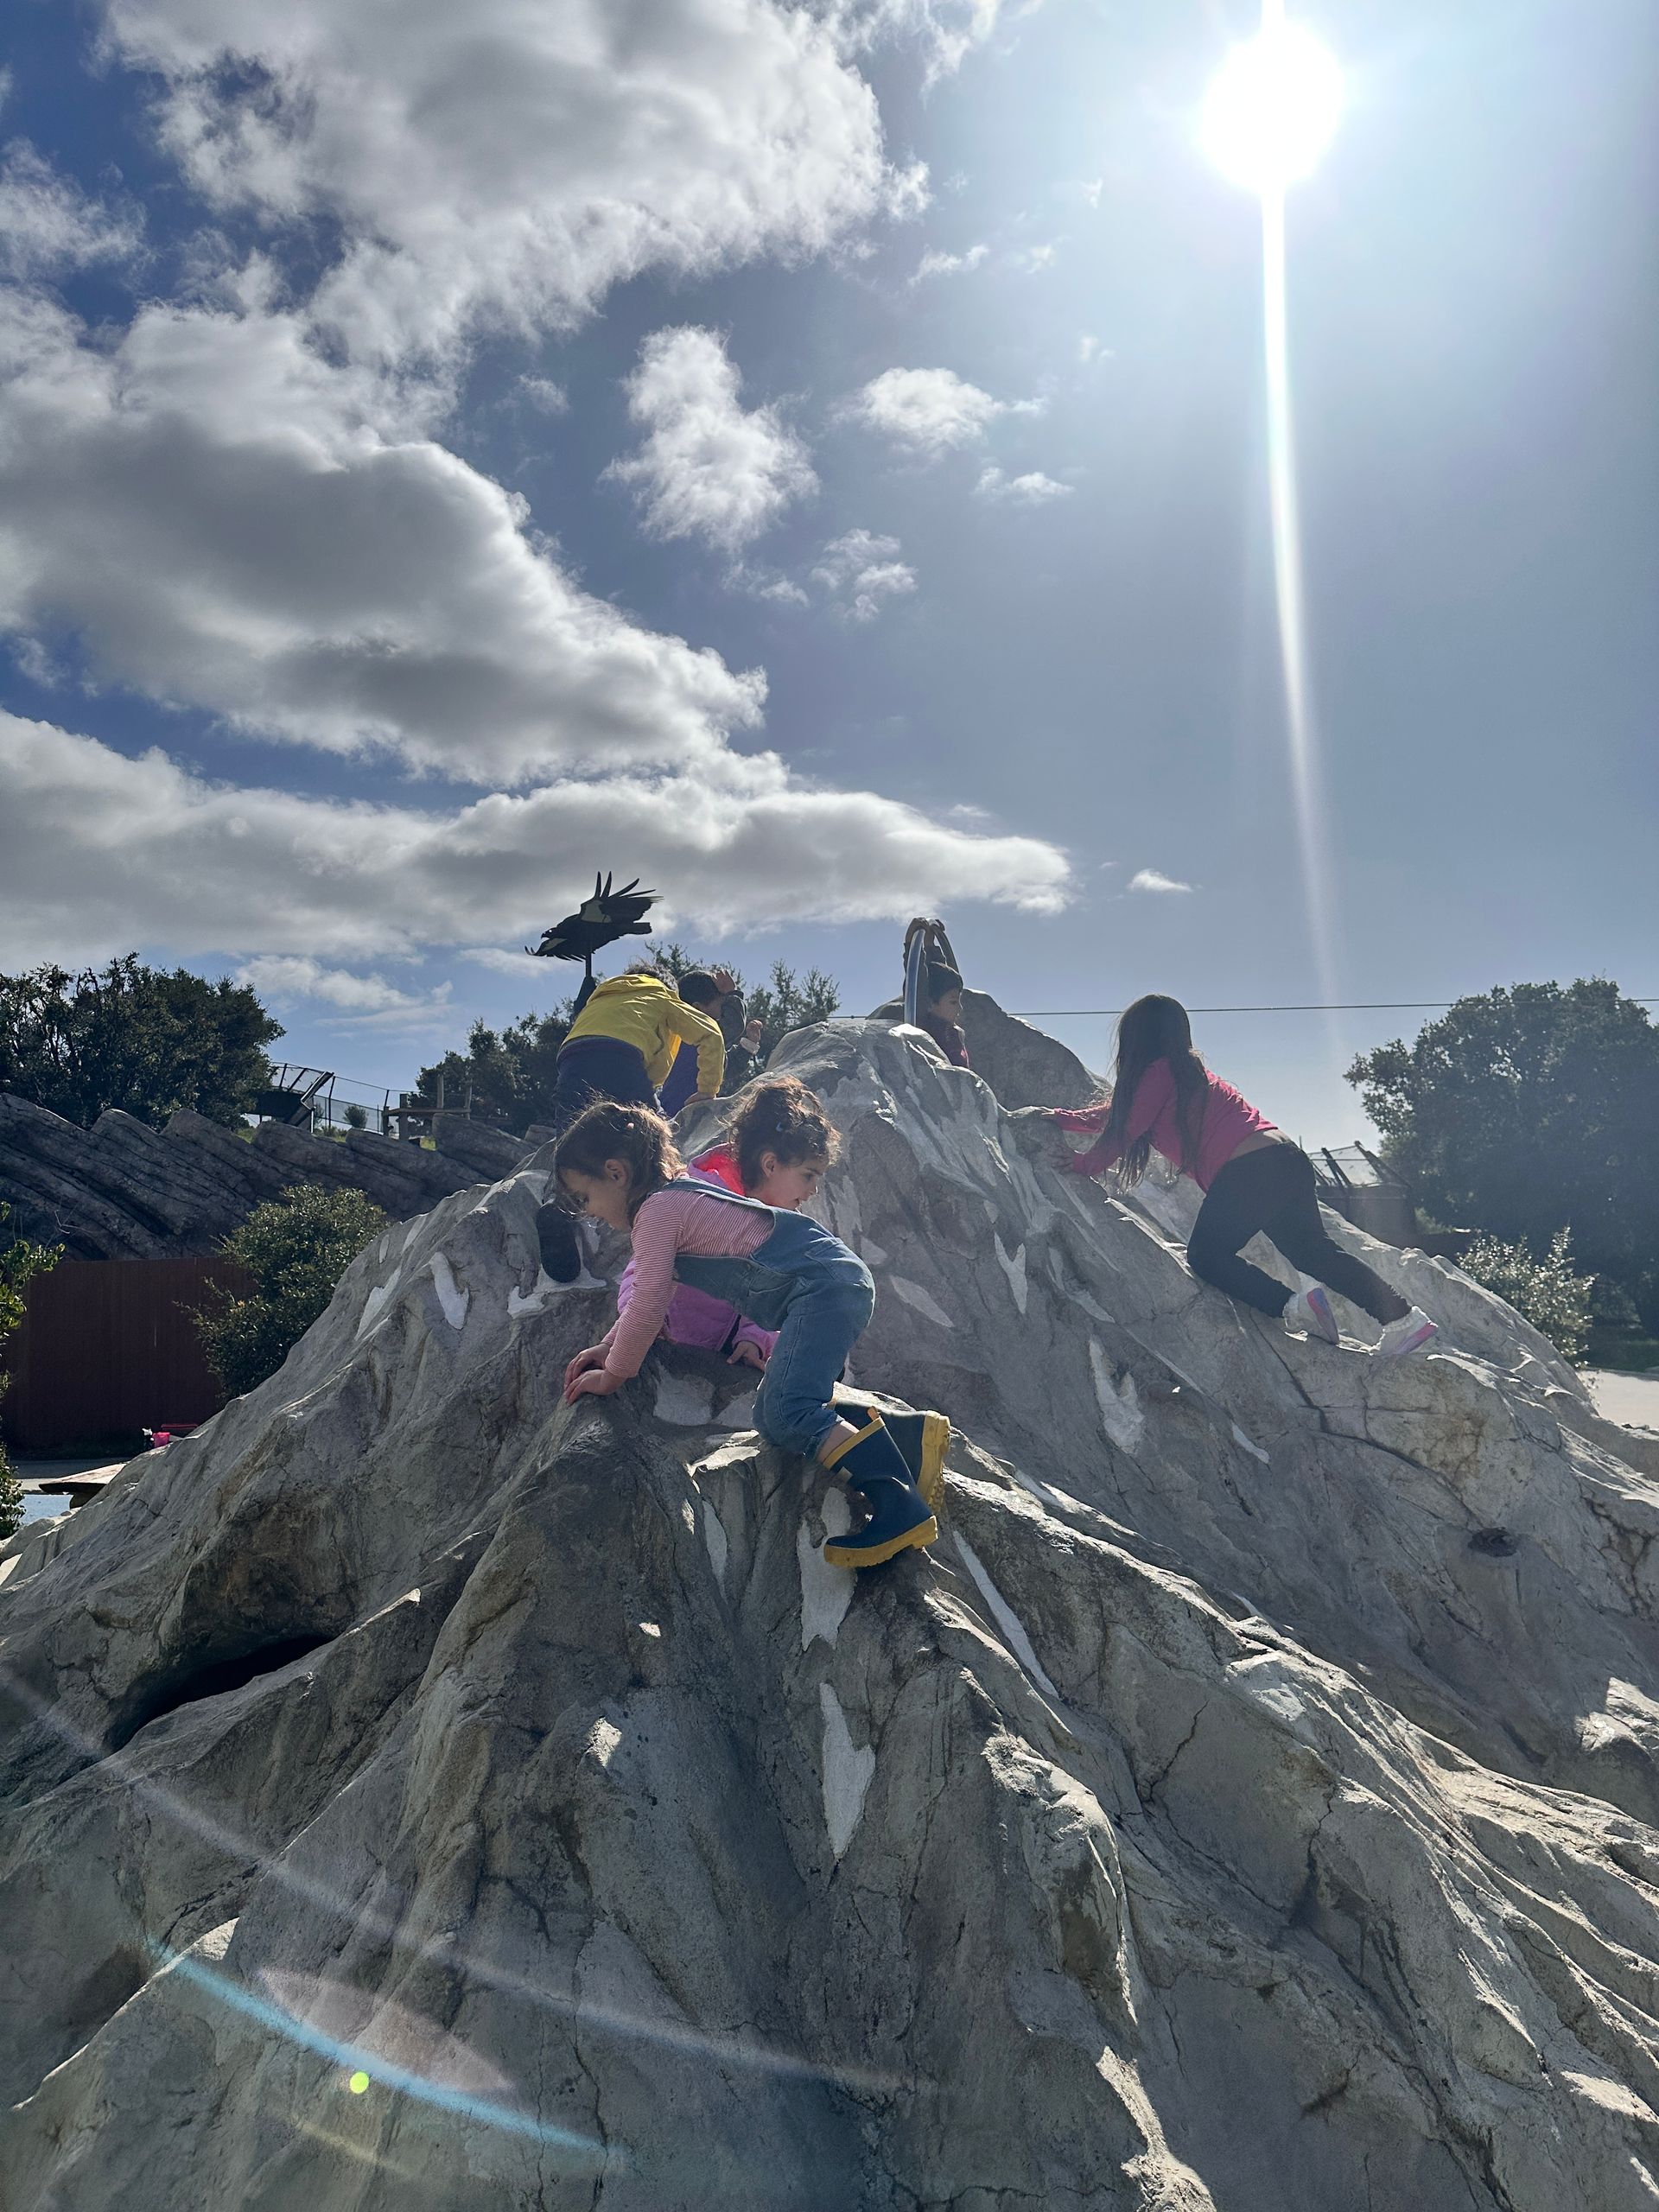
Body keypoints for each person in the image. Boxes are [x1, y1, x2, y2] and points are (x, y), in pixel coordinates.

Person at [556, 1102, 940, 1569]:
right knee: (784, 1402)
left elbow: (652, 1294)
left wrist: (615, 1373)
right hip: (830, 1284)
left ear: (615, 1173)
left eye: (583, 1198)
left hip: (821, 1289)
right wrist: (610, 1343)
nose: (589, 1214)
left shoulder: (656, 1212)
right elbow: (657, 1296)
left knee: (783, 1414)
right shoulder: (678, 1197)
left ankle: (899, 1508)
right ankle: (908, 1440)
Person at [1051, 995, 1438, 1357]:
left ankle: (1295, 1307)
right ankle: (1404, 1320)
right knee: (1313, 1251)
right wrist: (1060, 1118)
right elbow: (1116, 1115)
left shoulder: (1158, 1072)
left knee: (1206, 1255)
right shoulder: (1187, 1073)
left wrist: (1083, 1164)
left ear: (1135, 1038)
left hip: (1250, 1169)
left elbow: (1125, 1128)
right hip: (1285, 1158)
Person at [613, 1077, 836, 1371]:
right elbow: (643, 1269)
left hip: (724, 1358)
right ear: (770, 1165)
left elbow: (771, 1294)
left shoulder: (778, 1222)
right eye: (809, 1176)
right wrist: (639, 1320)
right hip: (664, 1344)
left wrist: (755, 1339)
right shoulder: (699, 1200)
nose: (814, 1190)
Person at [537, 963, 728, 1281]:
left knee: (571, 1148)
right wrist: (707, 1090)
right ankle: (666, 1199)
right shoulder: (662, 997)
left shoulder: (603, 997)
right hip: (622, 1059)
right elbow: (710, 1033)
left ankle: (559, 1205)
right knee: (651, 1135)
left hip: (572, 1059)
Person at [658, 969, 764, 1117]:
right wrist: (733, 994)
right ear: (698, 1009)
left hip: (675, 1115)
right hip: (681, 1118)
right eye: (721, 1005)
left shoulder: (686, 1040)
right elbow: (733, 1024)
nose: (722, 1014)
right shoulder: (693, 1038)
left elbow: (726, 1068)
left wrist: (749, 1044)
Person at [918, 961, 969, 1069]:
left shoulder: (954, 1033)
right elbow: (920, 985)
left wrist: (931, 946)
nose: (960, 1008)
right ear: (930, 1003)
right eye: (953, 1002)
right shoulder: (925, 1030)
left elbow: (940, 976)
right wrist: (910, 948)